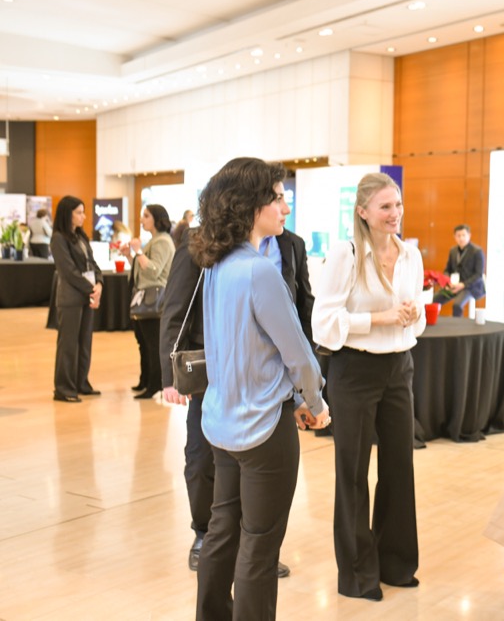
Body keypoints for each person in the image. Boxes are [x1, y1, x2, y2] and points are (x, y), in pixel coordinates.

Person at [186, 157, 327, 621]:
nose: (285, 207)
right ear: (251, 205)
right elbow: (297, 352)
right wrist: (315, 401)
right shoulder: (258, 270)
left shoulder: (216, 266)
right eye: (278, 198)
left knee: (222, 530)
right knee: (260, 545)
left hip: (222, 423)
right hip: (265, 429)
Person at [160, 223, 315, 576]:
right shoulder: (203, 240)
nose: (283, 208)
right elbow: (176, 307)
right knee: (201, 458)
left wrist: (305, 378)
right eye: (276, 199)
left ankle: (253, 549)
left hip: (268, 378)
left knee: (256, 470)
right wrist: (170, 376)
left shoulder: (291, 244)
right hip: (214, 369)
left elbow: (301, 307)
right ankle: (205, 534)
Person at [312, 172, 425, 602]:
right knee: (353, 473)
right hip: (354, 370)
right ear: (362, 211)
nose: (395, 213)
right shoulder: (346, 254)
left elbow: (416, 316)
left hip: (399, 367)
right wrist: (378, 319)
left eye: (398, 204)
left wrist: (413, 314)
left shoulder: (410, 254)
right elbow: (323, 323)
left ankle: (395, 563)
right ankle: (358, 574)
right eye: (385, 206)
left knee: (399, 468)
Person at [50, 196, 103, 402]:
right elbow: (68, 271)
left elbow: (92, 264)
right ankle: (64, 388)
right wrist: (92, 289)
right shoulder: (58, 238)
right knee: (69, 345)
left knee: (85, 343)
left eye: (83, 212)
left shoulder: (81, 236)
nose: (84, 216)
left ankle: (81, 383)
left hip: (86, 296)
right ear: (68, 214)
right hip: (70, 298)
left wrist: (99, 284)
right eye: (79, 213)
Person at [121, 204, 175, 399]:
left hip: (154, 300)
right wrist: (130, 255)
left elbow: (153, 270)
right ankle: (145, 381)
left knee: (152, 343)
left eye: (146, 216)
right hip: (145, 298)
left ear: (157, 219)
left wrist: (138, 252)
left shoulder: (162, 241)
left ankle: (155, 384)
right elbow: (142, 270)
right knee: (143, 342)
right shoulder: (154, 240)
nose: (142, 220)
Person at [433, 223, 485, 317]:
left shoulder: (477, 251)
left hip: (469, 286)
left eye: (463, 235)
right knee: (435, 299)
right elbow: (447, 270)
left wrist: (462, 285)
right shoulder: (453, 251)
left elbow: (478, 275)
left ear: (469, 235)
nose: (461, 238)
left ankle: (457, 326)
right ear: (455, 237)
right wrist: (447, 282)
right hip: (453, 285)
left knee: (457, 305)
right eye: (458, 235)